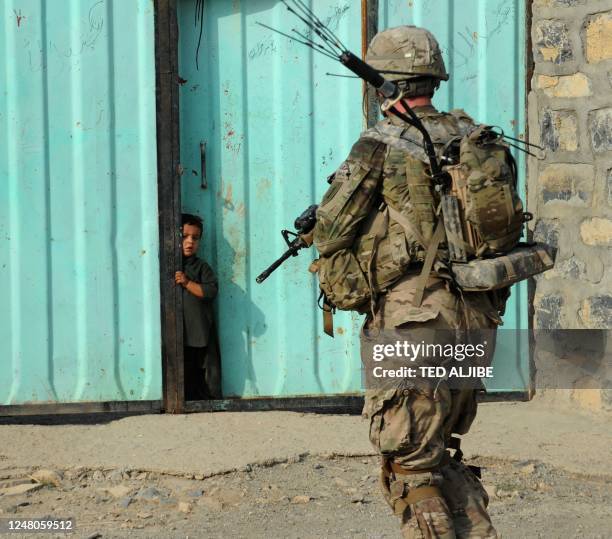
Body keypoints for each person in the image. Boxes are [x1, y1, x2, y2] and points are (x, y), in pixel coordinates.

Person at [313, 26, 507, 538]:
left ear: (385, 86)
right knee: (441, 455)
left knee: (410, 468)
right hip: (476, 318)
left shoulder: (380, 144)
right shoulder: (474, 138)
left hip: (416, 320)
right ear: (434, 80)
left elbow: (332, 230)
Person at [175, 213, 221, 400]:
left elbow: (210, 292)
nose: (189, 242)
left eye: (195, 238)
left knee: (204, 371)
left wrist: (186, 283)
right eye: (184, 236)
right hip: (178, 333)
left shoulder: (201, 267)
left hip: (199, 332)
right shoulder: (167, 263)